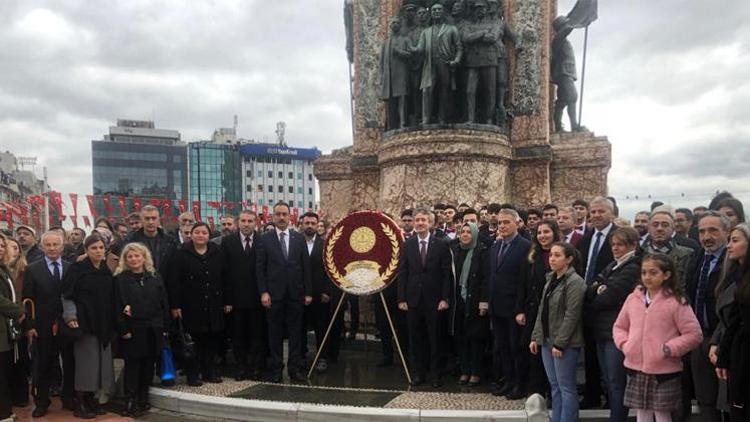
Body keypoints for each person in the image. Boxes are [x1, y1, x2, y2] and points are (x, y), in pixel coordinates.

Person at [614, 254, 703, 422]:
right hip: (636, 367)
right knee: (642, 411)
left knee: (662, 413)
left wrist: (669, 348)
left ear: (666, 275)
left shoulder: (676, 302)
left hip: (664, 370)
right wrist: (626, 345)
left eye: (653, 272)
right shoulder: (633, 299)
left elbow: (694, 334)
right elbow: (619, 326)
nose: (647, 277)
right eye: (644, 272)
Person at [586, 226, 641, 422]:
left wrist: (599, 290)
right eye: (614, 244)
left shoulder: (633, 267)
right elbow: (590, 288)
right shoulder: (613, 265)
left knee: (616, 382)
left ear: (633, 245)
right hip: (603, 330)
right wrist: (597, 289)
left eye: (621, 244)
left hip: (615, 332)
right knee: (609, 382)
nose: (616, 248)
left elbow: (608, 297)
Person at [167, 223, 231, 385]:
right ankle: (193, 374)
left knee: (211, 341)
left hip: (214, 304)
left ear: (209, 235)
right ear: (191, 235)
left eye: (204, 232)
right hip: (191, 306)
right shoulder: (181, 253)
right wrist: (175, 306)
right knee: (193, 342)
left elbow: (226, 279)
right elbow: (174, 282)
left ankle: (209, 372)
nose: (200, 235)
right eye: (197, 232)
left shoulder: (217, 252)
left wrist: (227, 301)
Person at [529, 242, 586, 422]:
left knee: (566, 387)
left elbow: (572, 315)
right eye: (551, 255)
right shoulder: (551, 279)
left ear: (568, 259)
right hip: (546, 340)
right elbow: (542, 310)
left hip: (565, 343)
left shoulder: (575, 282)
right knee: (554, 386)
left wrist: (560, 343)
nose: (552, 259)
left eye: (557, 255)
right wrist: (536, 337)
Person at [256, 202, 312, 383]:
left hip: (295, 294)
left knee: (296, 333)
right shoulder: (264, 239)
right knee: (274, 333)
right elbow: (260, 268)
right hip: (274, 295)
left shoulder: (298, 238)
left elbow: (306, 267)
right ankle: (276, 369)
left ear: (290, 217)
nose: (281, 217)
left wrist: (308, 292)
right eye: (278, 214)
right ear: (273, 217)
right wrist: (263, 292)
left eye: (284, 214)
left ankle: (294, 369)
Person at [61, 234, 116, 419]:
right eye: (94, 248)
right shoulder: (77, 269)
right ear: (86, 250)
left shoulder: (105, 270)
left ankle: (93, 399)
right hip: (84, 324)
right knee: (87, 365)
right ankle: (80, 402)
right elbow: (66, 295)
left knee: (101, 365)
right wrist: (70, 316)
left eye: (101, 247)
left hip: (104, 324)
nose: (98, 251)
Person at [397, 207, 452, 387]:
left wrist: (445, 298)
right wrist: (402, 299)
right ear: (413, 223)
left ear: (430, 223)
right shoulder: (407, 244)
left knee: (435, 339)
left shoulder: (441, 244)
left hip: (434, 301)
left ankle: (436, 374)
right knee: (415, 339)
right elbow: (403, 272)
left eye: (423, 220)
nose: (420, 223)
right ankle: (418, 373)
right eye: (417, 220)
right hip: (413, 300)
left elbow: (446, 275)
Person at [22, 231, 75, 417]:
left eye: (56, 245)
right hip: (41, 325)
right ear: (42, 246)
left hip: (67, 325)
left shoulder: (71, 268)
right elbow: (27, 300)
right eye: (48, 245)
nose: (52, 248)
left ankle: (68, 398)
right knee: (41, 364)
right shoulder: (32, 269)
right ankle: (42, 402)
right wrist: (30, 325)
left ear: (62, 247)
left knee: (69, 363)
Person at [114, 243, 170, 416]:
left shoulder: (154, 276)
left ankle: (143, 397)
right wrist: (123, 329)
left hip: (153, 328)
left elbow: (163, 302)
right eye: (130, 256)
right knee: (133, 366)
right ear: (125, 259)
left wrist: (165, 327)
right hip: (133, 329)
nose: (134, 259)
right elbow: (116, 305)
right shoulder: (120, 279)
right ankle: (130, 400)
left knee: (148, 366)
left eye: (137, 256)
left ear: (144, 257)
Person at [685, 211, 730, 421]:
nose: (706, 236)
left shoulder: (734, 261)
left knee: (729, 399)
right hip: (699, 336)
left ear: (726, 232)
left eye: (713, 230)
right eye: (702, 231)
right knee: (705, 398)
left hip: (724, 338)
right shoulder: (698, 257)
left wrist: (720, 339)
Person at [577, 196, 616, 408]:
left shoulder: (617, 237)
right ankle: (592, 394)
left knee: (609, 357)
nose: (596, 215)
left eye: (601, 211)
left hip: (609, 307)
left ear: (611, 213)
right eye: (593, 212)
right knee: (590, 351)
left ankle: (612, 397)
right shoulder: (585, 239)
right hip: (587, 305)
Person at [515, 219, 560, 398]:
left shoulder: (562, 254)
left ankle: (550, 391)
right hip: (533, 311)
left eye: (546, 232)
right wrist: (519, 310)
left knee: (549, 353)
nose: (542, 236)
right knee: (530, 352)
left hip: (553, 313)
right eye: (540, 232)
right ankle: (534, 390)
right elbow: (522, 285)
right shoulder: (531, 256)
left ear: (554, 233)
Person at [489, 208, 532, 398]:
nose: (502, 226)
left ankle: (519, 384)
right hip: (497, 306)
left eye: (506, 222)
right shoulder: (495, 246)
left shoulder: (526, 246)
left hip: (515, 307)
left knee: (516, 348)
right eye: (499, 223)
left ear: (517, 223)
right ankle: (508, 380)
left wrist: (521, 308)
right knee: (502, 347)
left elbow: (526, 281)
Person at [221, 210, 265, 381]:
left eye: (250, 221)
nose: (247, 224)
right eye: (244, 221)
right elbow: (224, 272)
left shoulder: (263, 241)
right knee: (237, 336)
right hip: (236, 300)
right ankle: (240, 367)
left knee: (257, 336)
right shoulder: (227, 242)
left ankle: (255, 368)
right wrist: (227, 299)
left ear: (256, 223)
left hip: (257, 298)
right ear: (238, 222)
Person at [715, 223, 750, 422]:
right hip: (739, 353)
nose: (729, 246)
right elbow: (733, 320)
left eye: (735, 241)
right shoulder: (735, 276)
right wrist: (724, 356)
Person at [300, 212, 341, 373]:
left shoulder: (326, 245)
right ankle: (301, 357)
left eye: (313, 223)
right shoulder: (296, 243)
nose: (310, 226)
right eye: (307, 223)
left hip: (320, 294)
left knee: (321, 328)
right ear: (302, 224)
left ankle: (322, 357)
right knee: (300, 327)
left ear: (318, 225)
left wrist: (327, 291)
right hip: (300, 294)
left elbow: (330, 271)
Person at [450, 222, 490, 387]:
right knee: (461, 337)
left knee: (475, 338)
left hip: (474, 301)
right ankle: (465, 370)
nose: (465, 235)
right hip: (458, 301)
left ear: (474, 234)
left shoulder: (481, 251)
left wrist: (484, 301)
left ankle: (476, 372)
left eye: (469, 232)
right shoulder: (455, 251)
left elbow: (486, 278)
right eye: (463, 232)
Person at [413, 3, 463, 124]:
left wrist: (456, 60)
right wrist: (409, 48)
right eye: (434, 10)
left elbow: (459, 47)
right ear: (431, 13)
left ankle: (442, 118)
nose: (436, 12)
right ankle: (426, 118)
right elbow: (420, 48)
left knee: (444, 91)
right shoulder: (426, 31)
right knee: (426, 90)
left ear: (444, 12)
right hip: (430, 64)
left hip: (445, 63)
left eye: (439, 10)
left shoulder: (452, 29)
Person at [0, 234, 24, 422]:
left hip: (6, 328)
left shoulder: (4, 269)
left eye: (2, 245)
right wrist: (18, 311)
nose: (0, 248)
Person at [3, 237, 29, 408]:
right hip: (6, 321)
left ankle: (18, 397)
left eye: (14, 247)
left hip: (16, 322)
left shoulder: (22, 270)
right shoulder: (4, 270)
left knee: (17, 360)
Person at [641, 207, 693, 290]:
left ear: (673, 229)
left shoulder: (687, 254)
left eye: (665, 225)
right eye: (655, 225)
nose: (659, 228)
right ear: (649, 229)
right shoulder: (639, 254)